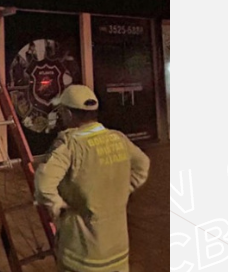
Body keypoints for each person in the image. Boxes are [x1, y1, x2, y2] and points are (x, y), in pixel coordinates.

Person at [35, 85, 149, 272]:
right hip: (118, 250)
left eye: (62, 111)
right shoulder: (118, 138)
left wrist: (58, 207)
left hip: (82, 254)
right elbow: (142, 165)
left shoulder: (69, 145)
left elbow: (43, 185)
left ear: (69, 115)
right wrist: (122, 191)